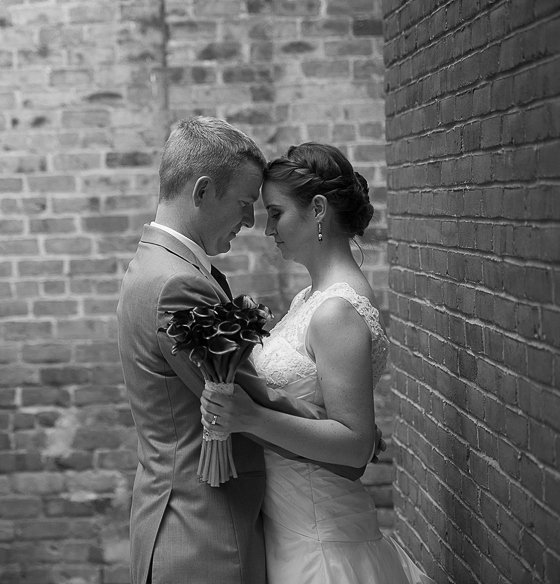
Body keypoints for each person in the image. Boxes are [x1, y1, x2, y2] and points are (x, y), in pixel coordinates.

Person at [117, 119, 381, 584]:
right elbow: (244, 400)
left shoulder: (159, 265)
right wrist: (348, 431)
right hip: (204, 535)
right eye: (245, 205)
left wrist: (350, 431)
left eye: (271, 212)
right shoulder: (178, 282)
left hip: (255, 527)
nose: (251, 222)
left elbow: (247, 401)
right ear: (202, 192)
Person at [201, 143, 433, 583]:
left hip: (320, 539)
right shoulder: (310, 299)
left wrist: (248, 418)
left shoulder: (336, 311)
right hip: (288, 528)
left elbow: (354, 443)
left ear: (319, 209)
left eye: (276, 213)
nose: (268, 229)